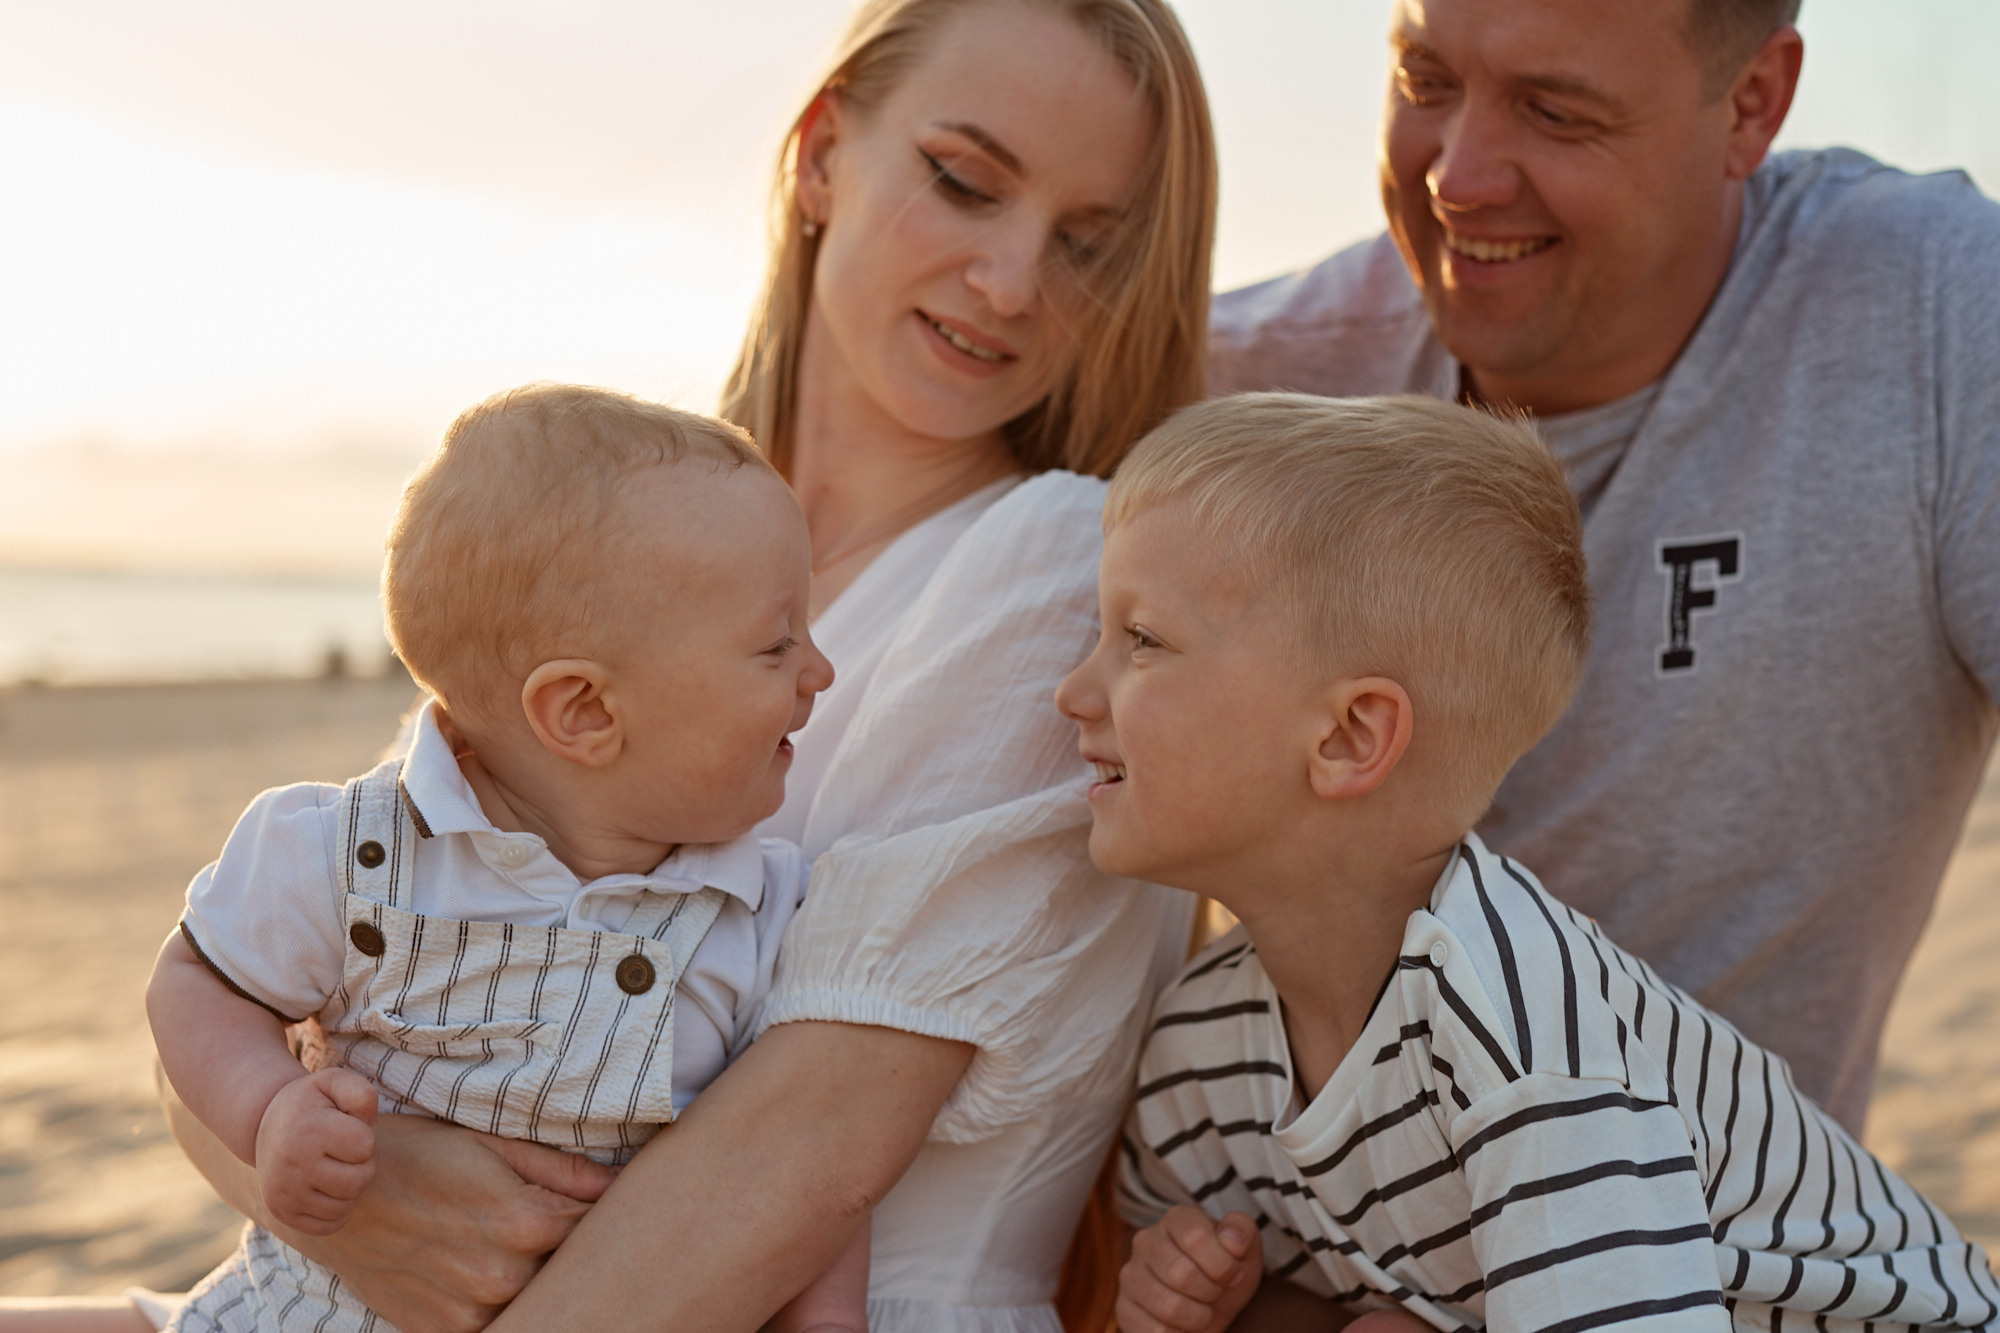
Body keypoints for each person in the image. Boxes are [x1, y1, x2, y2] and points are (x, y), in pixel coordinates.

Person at [66, 2, 1217, 1332]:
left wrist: (386, 1208)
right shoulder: (626, 537)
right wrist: (358, 1201)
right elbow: (283, 976)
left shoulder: (1060, 566)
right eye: (963, 181)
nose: (1013, 282)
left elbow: (807, 1145)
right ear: (821, 155)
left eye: (1087, 244)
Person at [1207, 0, 2000, 1136]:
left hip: (1720, 1236)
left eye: (1553, 111)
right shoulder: (1237, 390)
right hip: (1262, 1218)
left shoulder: (1933, 318)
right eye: (1425, 78)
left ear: (1750, 105)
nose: (1457, 178)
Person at [1053, 393, 2000, 1333]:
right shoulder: (1197, 1054)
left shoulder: (1522, 1037)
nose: (1073, 692)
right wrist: (1212, 1302)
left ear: (1348, 737)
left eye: (1143, 640)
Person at [141, 385, 887, 1333]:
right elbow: (197, 982)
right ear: (585, 712)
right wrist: (268, 1108)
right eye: (778, 643)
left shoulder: (764, 907)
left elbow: (807, 1159)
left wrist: (826, 1317)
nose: (820, 670)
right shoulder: (351, 848)